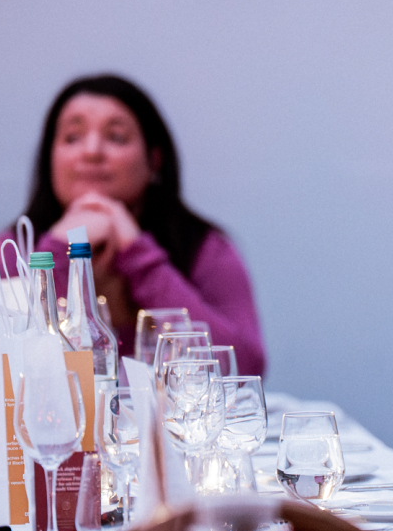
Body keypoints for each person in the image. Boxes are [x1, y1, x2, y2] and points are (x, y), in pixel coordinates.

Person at [18, 75, 266, 375]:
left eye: (116, 137)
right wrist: (56, 251)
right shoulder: (13, 248)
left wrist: (140, 257)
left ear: (154, 159)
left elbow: (244, 369)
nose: (92, 151)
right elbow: (10, 364)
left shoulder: (204, 248)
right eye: (72, 137)